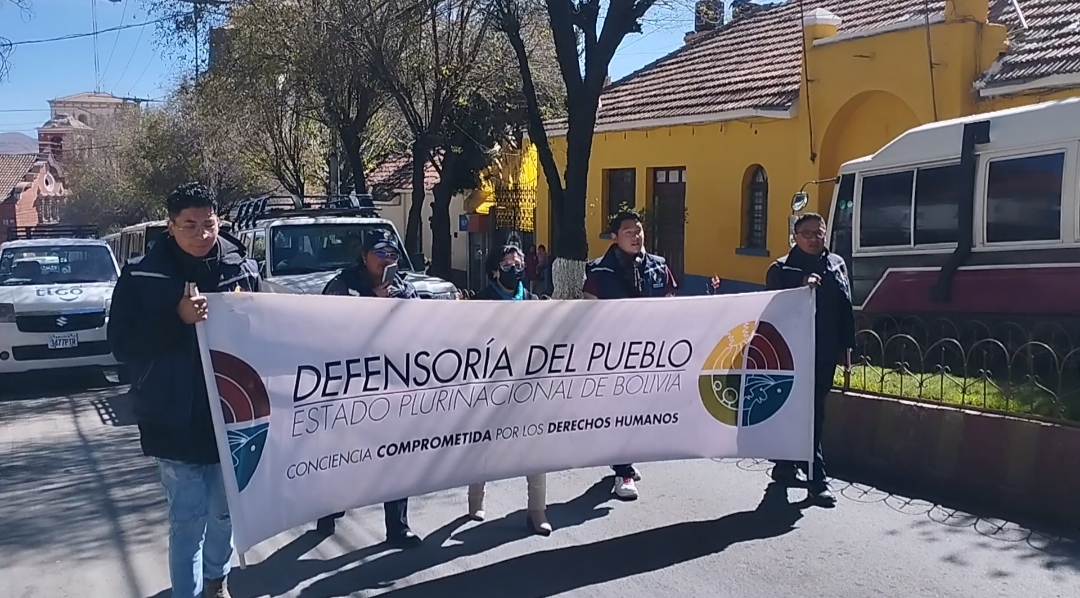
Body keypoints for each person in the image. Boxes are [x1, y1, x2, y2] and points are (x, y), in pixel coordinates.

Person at [107, 182, 261, 598]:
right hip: (172, 416)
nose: (201, 234)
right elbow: (121, 344)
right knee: (187, 520)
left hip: (233, 416)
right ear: (170, 227)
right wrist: (176, 319)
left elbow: (265, 336)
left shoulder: (241, 268)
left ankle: (217, 580)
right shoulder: (142, 274)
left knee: (225, 513)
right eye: (189, 226)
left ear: (219, 221)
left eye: (208, 224)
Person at [313, 228, 423, 549]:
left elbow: (422, 325)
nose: (387, 260)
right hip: (349, 384)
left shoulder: (404, 287)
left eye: (392, 254)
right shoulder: (342, 285)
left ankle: (398, 526)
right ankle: (328, 507)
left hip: (390, 382)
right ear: (364, 257)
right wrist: (371, 303)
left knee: (394, 453)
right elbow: (324, 324)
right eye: (380, 253)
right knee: (345, 453)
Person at [582, 212, 677, 500]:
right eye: (628, 232)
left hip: (651, 354)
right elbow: (589, 315)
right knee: (621, 411)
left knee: (640, 412)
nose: (636, 236)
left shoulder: (658, 267)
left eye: (639, 231)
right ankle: (623, 472)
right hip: (615, 356)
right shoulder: (600, 272)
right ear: (614, 237)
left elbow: (673, 305)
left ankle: (623, 456)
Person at [765, 212, 856, 506]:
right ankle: (817, 479)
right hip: (791, 354)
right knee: (807, 412)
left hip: (825, 350)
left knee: (813, 409)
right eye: (807, 234)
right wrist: (801, 286)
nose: (815, 239)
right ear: (794, 236)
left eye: (819, 233)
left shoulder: (836, 264)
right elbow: (773, 311)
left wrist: (847, 347)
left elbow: (845, 307)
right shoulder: (781, 268)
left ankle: (785, 463)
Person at [466, 244, 552, 536]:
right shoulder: (481, 302)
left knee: (535, 449)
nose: (514, 268)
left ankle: (537, 510)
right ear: (494, 271)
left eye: (518, 263)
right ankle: (476, 501)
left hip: (527, 387)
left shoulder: (532, 301)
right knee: (484, 446)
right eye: (507, 264)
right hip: (490, 388)